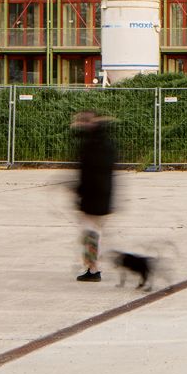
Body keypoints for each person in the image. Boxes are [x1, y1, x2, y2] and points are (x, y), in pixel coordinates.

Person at [72, 110, 117, 282]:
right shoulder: (106, 143)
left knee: (90, 233)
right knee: (94, 232)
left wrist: (80, 192)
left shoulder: (91, 145)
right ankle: (93, 266)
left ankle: (93, 269)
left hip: (93, 197)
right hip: (104, 195)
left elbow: (87, 173)